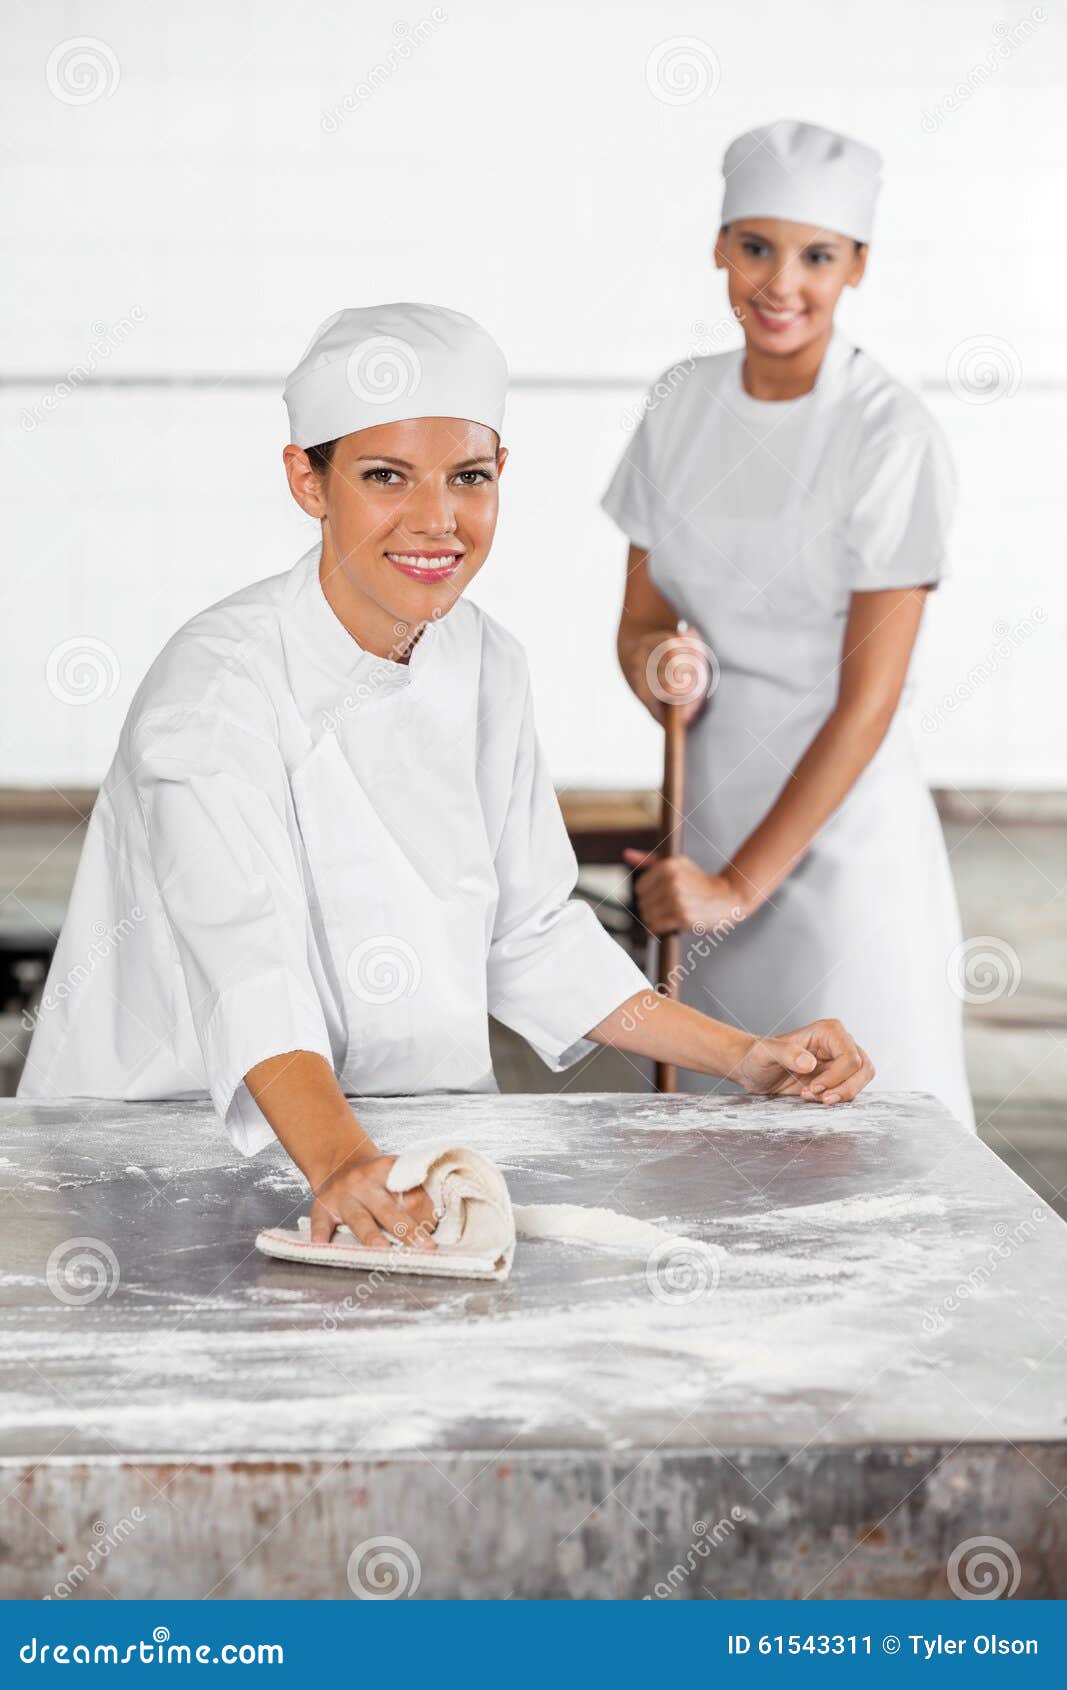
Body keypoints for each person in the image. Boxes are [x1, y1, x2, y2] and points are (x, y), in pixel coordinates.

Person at [18, 302, 875, 1250]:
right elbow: (247, 965)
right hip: (162, 1154)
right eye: (386, 477)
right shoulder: (217, 692)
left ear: (501, 473)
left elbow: (531, 932)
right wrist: (342, 1161)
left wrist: (742, 1056)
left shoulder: (484, 661)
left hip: (397, 1147)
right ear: (308, 480)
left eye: (467, 477)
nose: (436, 520)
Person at [606, 120, 974, 1129]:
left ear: (857, 267)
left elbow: (868, 700)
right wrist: (656, 661)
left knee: (860, 1140)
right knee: (724, 1154)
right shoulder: (678, 404)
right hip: (710, 816)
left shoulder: (886, 432)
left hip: (841, 842)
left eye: (815, 256)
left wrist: (737, 884)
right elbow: (640, 614)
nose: (780, 284)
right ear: (718, 246)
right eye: (755, 246)